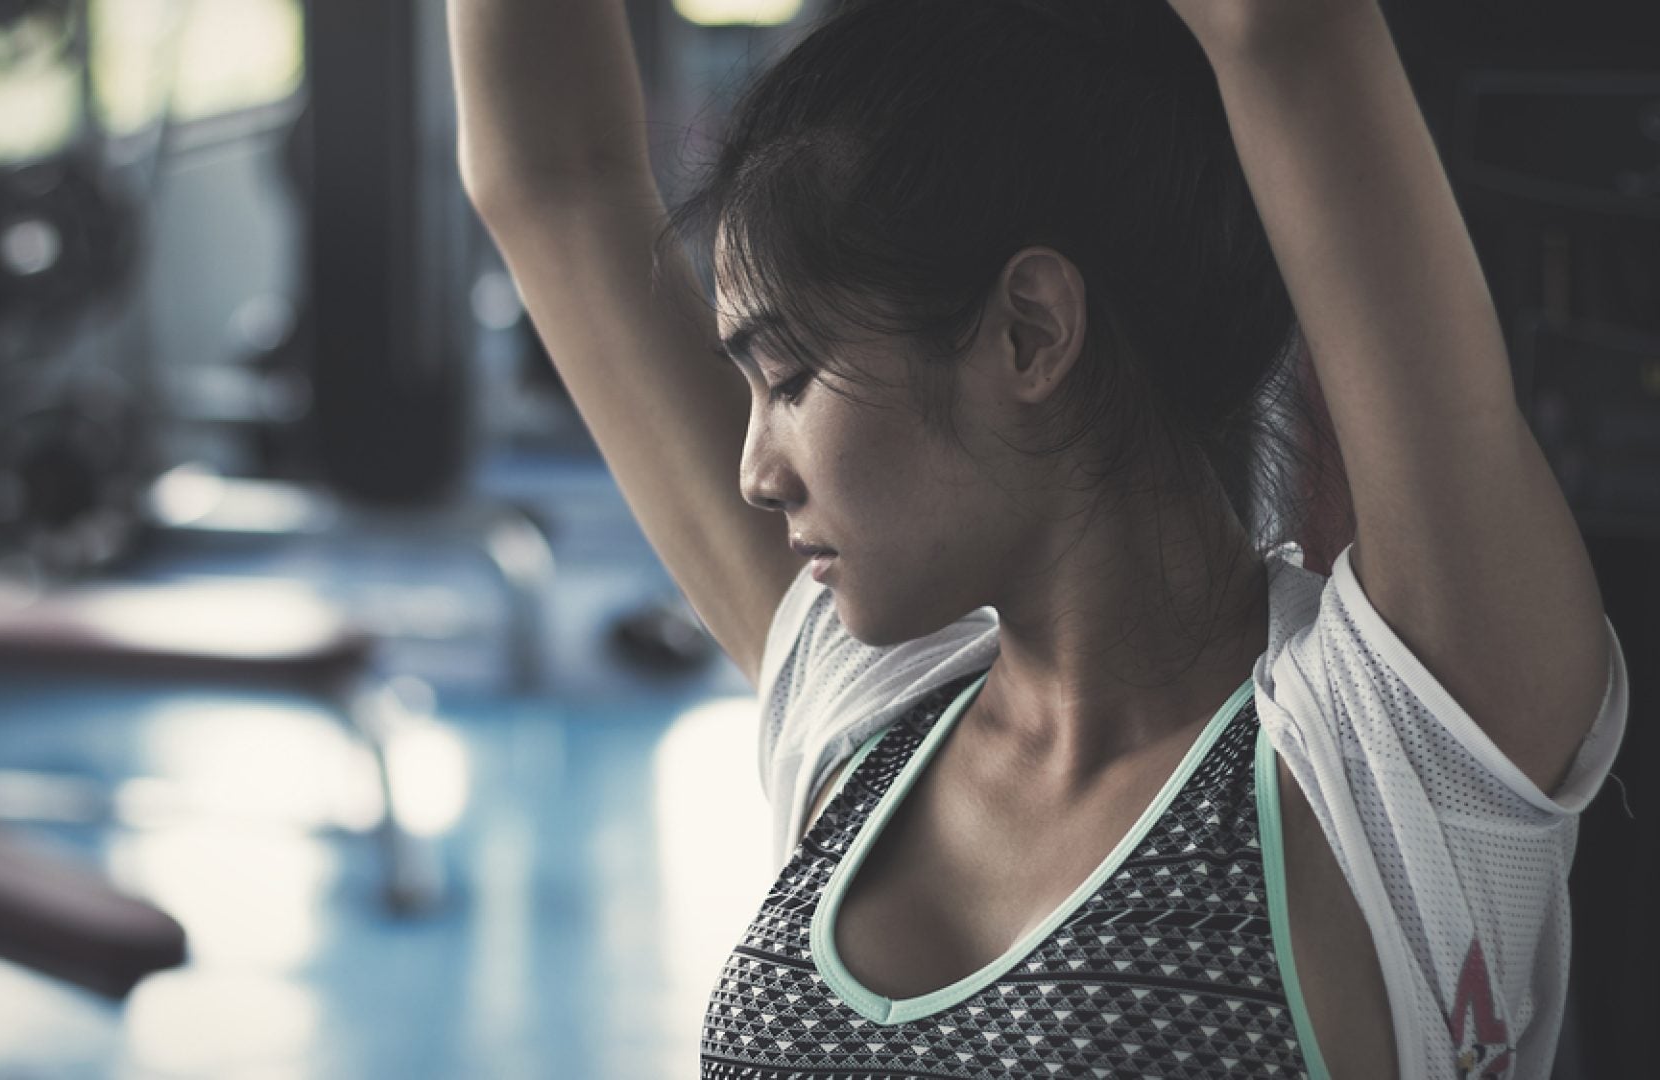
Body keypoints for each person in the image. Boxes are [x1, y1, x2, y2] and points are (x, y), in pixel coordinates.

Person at [450, 0, 1630, 1075]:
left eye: (794, 376)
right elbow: (551, 176)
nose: (753, 472)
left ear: (1029, 332)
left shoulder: (1390, 759)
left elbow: (1283, 31)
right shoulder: (868, 715)